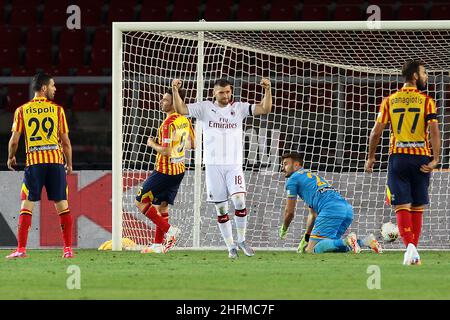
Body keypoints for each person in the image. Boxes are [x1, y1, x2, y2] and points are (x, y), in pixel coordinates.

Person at [171, 77, 272, 259]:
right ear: (214, 93)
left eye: (228, 92)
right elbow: (181, 109)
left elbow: (265, 108)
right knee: (222, 209)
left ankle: (241, 240)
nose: (225, 95)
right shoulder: (204, 108)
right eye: (221, 92)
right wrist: (175, 91)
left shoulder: (239, 108)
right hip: (212, 166)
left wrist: (267, 90)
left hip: (233, 165)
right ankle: (230, 246)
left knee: (239, 201)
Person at [365, 60, 441, 265]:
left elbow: (376, 132)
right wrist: (436, 158)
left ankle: (410, 249)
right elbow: (434, 131)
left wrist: (371, 157)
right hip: (421, 158)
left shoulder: (390, 100)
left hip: (399, 157)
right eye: (424, 73)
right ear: (415, 76)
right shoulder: (427, 101)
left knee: (402, 206)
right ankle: (412, 250)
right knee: (417, 207)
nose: (426, 76)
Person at [6, 72, 74, 259]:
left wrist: (11, 157)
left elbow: (14, 141)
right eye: (52, 85)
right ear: (43, 88)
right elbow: (66, 141)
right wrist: (69, 164)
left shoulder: (22, 110)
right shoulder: (57, 110)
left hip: (34, 164)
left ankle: (21, 249)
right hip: (55, 163)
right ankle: (67, 249)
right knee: (62, 204)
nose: (55, 89)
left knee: (26, 204)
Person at [279, 152, 382, 254]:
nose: (282, 168)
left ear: (296, 165)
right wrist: (306, 238)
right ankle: (366, 241)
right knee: (331, 246)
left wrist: (284, 229)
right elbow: (313, 215)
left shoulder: (293, 180)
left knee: (311, 249)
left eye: (285, 164)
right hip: (347, 210)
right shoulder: (310, 177)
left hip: (330, 210)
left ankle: (348, 240)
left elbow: (289, 212)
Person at [136, 88, 195, 254]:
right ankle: (157, 245)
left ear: (175, 103)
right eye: (162, 99)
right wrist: (179, 146)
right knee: (161, 206)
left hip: (164, 171)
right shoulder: (185, 120)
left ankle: (170, 231)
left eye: (166, 100)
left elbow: (166, 152)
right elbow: (194, 144)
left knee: (140, 201)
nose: (162, 102)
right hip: (179, 170)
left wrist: (152, 144)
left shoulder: (168, 124)